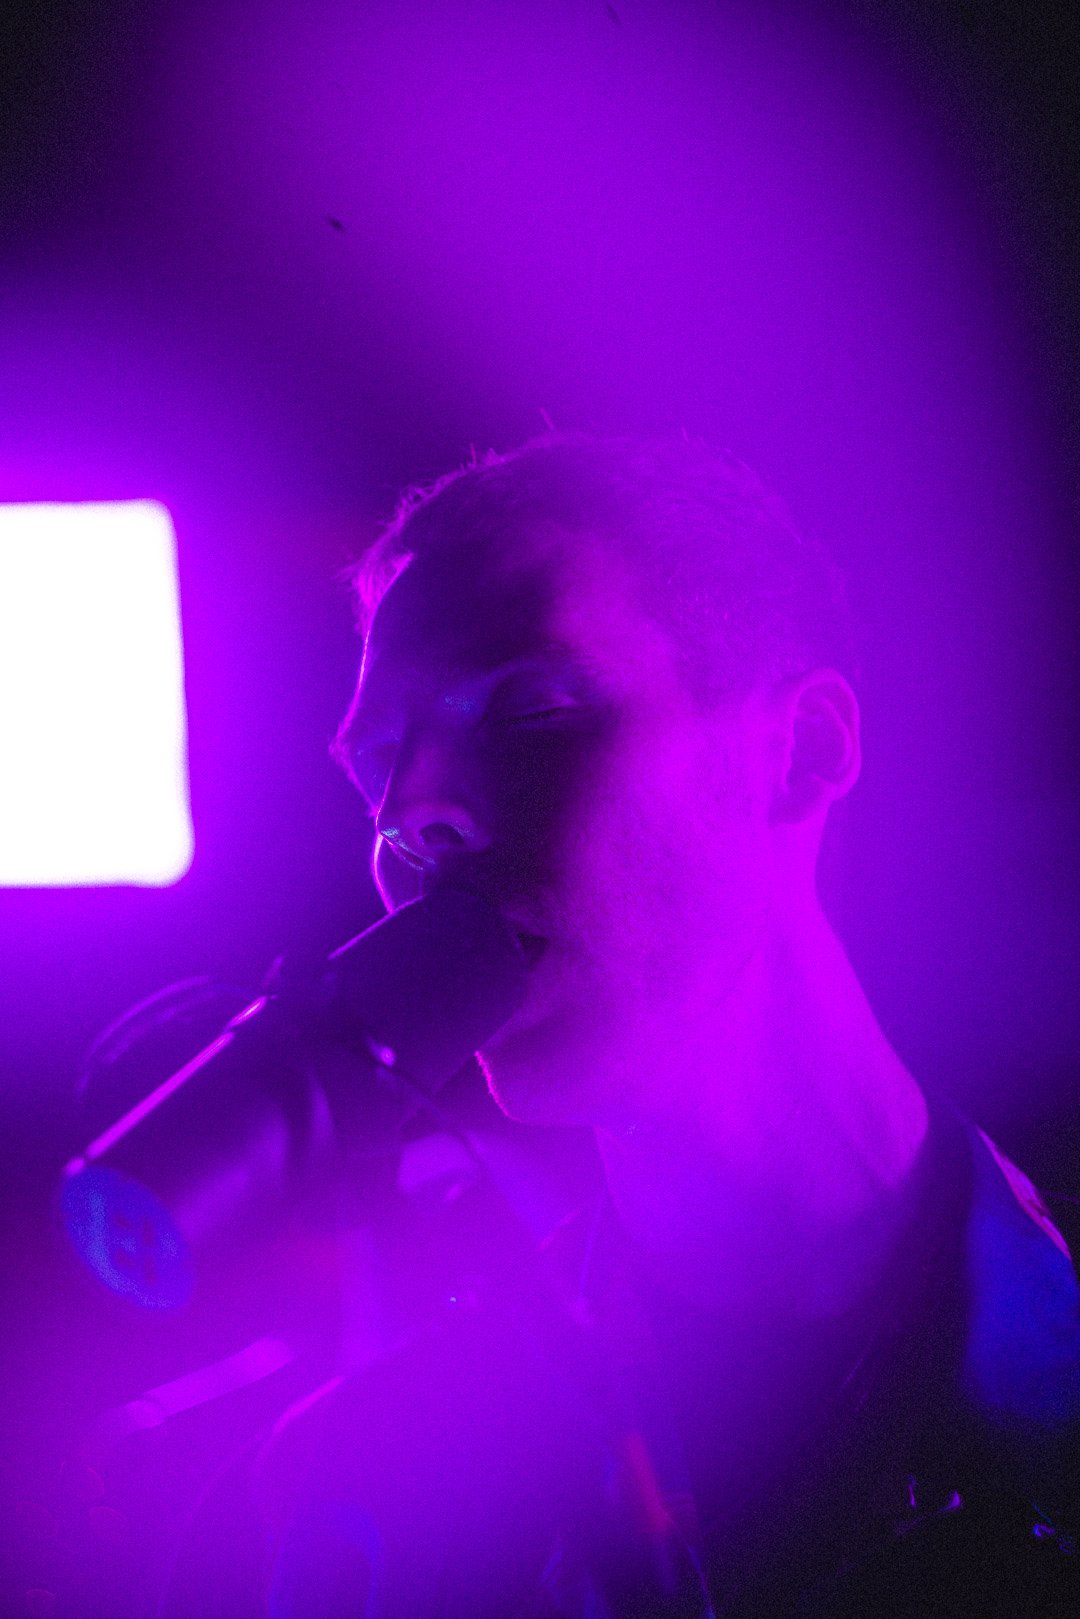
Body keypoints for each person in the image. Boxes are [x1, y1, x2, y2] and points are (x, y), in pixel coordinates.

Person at [187, 436, 1080, 1616]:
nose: (411, 816)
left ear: (802, 753)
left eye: (530, 708)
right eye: (377, 770)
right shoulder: (360, 1488)